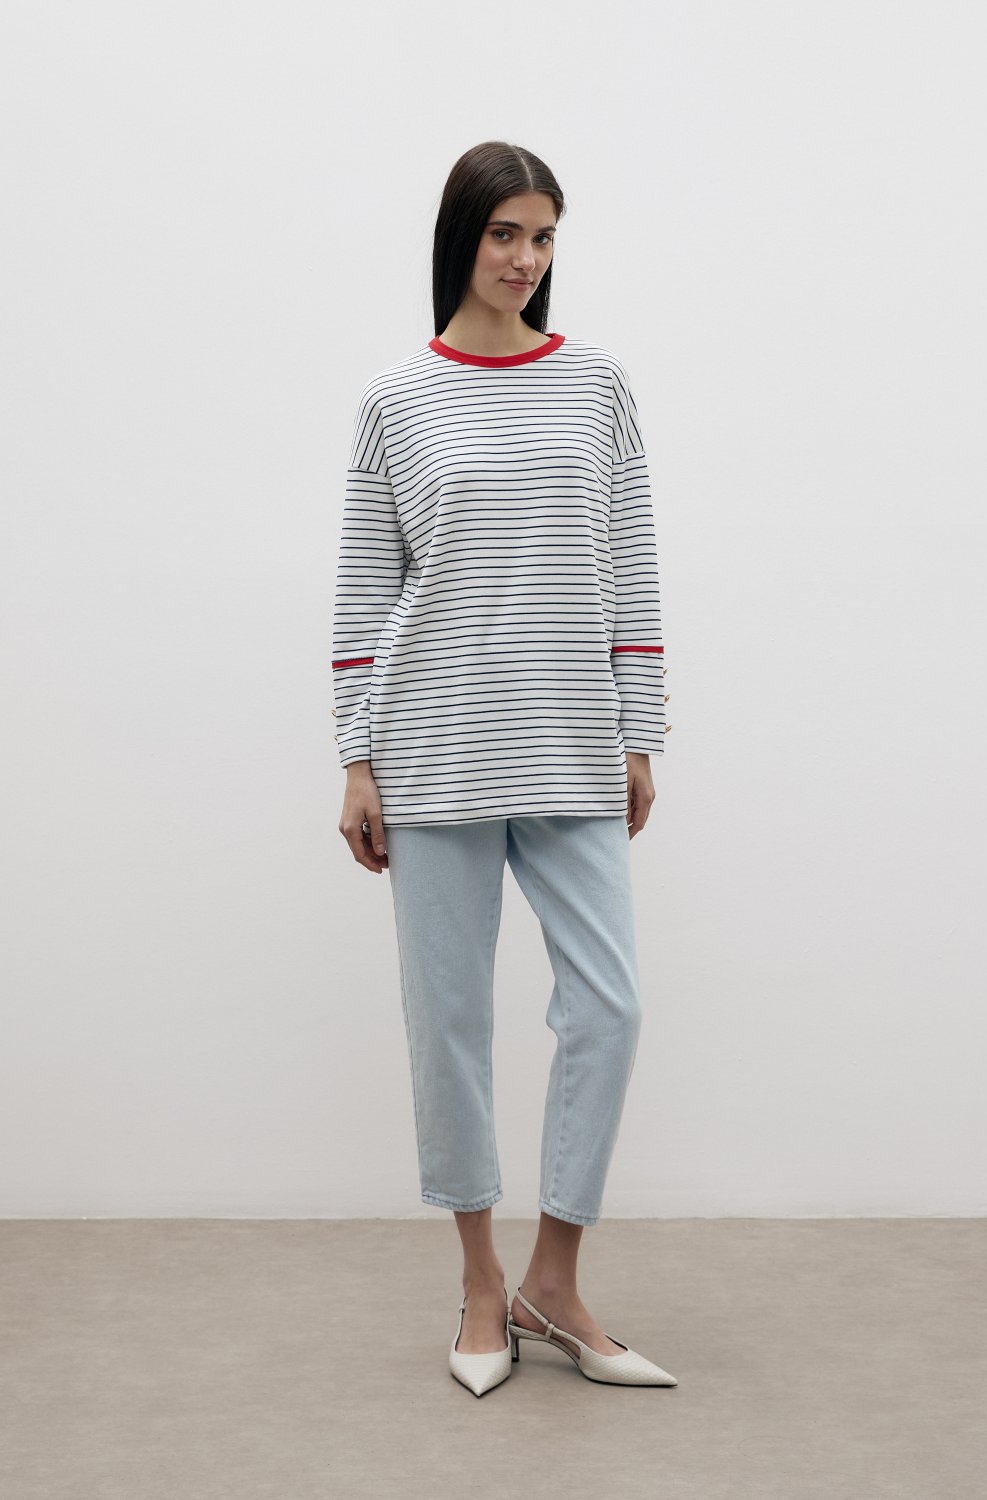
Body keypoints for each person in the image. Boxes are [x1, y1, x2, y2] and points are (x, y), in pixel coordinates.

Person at [331, 141, 676, 1396]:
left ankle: (554, 1282)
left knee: (608, 1006)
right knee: (451, 1022)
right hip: (433, 749)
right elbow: (365, 592)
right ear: (460, 238)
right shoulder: (396, 400)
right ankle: (481, 1283)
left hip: (573, 742)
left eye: (542, 238)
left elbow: (630, 564)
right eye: (504, 235)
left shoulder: (597, 386)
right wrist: (356, 758)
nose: (525, 260)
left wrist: (640, 730)